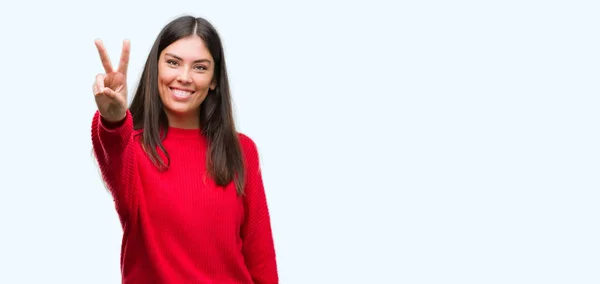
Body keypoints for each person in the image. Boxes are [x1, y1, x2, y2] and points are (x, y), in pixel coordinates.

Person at [90, 15, 278, 283]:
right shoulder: (132, 147)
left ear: (214, 79)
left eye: (200, 67)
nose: (185, 77)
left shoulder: (241, 149)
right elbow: (112, 148)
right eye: (173, 63)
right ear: (156, 68)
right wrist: (113, 119)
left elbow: (260, 258)